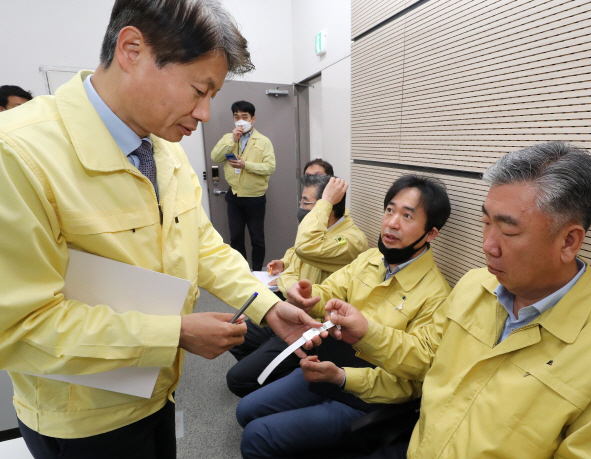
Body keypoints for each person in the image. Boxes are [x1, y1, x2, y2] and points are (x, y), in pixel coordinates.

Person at [0, 2, 323, 458]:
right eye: (198, 89)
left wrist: (267, 306)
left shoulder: (162, 148)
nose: (207, 113)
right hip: (83, 419)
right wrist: (173, 334)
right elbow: (18, 326)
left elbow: (203, 245)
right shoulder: (17, 154)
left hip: (156, 390)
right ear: (132, 49)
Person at [323, 142, 591, 459]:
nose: (488, 245)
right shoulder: (475, 285)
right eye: (486, 222)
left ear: (568, 241)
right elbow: (427, 359)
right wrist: (367, 332)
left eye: (508, 231)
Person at [236, 175, 452, 459]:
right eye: (390, 210)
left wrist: (342, 375)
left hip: (366, 394)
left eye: (407, 216)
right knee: (245, 411)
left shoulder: (436, 295)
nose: (392, 223)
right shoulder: (370, 258)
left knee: (256, 437)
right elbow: (330, 291)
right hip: (327, 365)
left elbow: (416, 374)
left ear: (431, 233)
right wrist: (309, 295)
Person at [227, 174, 368, 397]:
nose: (301, 208)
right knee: (235, 334)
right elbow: (290, 268)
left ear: (327, 206)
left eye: (306, 202)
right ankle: (275, 375)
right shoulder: (314, 229)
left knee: (237, 380)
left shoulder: (351, 240)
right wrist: (290, 288)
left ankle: (287, 379)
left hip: (312, 328)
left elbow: (304, 248)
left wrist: (324, 203)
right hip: (290, 309)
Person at [211, 100, 275, 271]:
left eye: (244, 117)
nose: (240, 121)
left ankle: (256, 273)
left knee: (257, 239)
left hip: (255, 197)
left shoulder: (263, 141)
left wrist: (246, 165)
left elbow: (270, 167)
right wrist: (232, 140)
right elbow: (215, 157)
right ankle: (242, 272)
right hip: (234, 197)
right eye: (236, 117)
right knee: (236, 238)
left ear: (253, 119)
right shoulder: (228, 138)